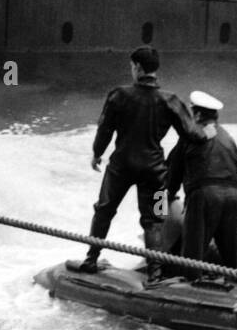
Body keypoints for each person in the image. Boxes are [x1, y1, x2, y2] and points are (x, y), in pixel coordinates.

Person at [77, 45, 207, 281]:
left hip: (120, 168)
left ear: (137, 67)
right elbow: (193, 135)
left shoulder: (118, 95)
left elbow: (104, 129)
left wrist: (97, 153)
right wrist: (207, 133)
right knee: (155, 220)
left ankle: (91, 260)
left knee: (104, 210)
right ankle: (155, 273)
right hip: (155, 172)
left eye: (131, 66)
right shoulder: (171, 100)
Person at [167, 91, 237, 269]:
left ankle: (189, 287)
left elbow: (169, 179)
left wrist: (159, 211)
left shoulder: (192, 136)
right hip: (233, 198)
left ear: (198, 115)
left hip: (204, 198)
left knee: (192, 256)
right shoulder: (229, 139)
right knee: (233, 255)